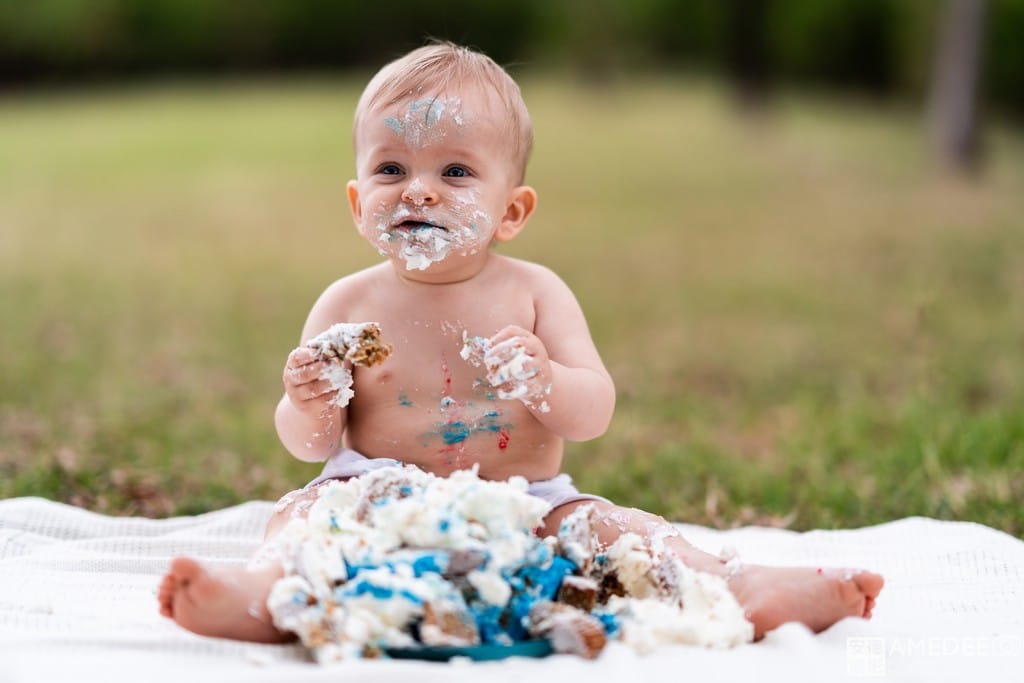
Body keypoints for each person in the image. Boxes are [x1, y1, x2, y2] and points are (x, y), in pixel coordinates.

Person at [158, 42, 883, 645]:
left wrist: (546, 382)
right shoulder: (346, 303)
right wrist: (306, 399)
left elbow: (592, 410)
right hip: (372, 501)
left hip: (527, 506)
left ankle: (737, 585)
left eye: (456, 171)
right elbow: (311, 445)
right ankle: (261, 595)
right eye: (390, 169)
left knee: (616, 530)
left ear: (512, 210)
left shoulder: (536, 294)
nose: (418, 191)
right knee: (303, 515)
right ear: (356, 202)